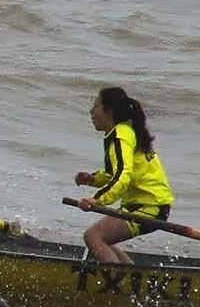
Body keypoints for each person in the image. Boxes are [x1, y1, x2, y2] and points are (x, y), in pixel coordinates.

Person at [73, 86, 174, 265]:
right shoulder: (124, 132)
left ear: (108, 111)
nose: (91, 111)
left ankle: (119, 286)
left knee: (93, 236)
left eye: (95, 106)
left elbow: (123, 175)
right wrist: (92, 179)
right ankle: (131, 279)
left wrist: (97, 199)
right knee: (102, 240)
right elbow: (117, 174)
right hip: (148, 204)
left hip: (149, 206)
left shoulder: (121, 136)